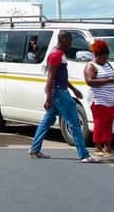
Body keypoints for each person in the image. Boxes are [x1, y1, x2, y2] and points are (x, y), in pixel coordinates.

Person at [29, 31, 97, 162]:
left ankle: (35, 149)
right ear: (64, 40)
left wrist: (73, 89)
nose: (71, 44)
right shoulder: (56, 55)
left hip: (59, 91)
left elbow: (60, 77)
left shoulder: (58, 54)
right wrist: (48, 98)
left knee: (47, 121)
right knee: (74, 123)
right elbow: (51, 78)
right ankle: (84, 155)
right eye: (70, 40)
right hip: (59, 93)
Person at [84, 39, 114, 157]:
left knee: (108, 125)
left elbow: (112, 79)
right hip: (99, 101)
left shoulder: (107, 64)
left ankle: (108, 148)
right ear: (97, 55)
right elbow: (90, 81)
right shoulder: (91, 66)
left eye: (107, 57)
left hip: (111, 100)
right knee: (99, 124)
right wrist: (109, 80)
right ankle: (97, 148)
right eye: (104, 57)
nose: (106, 59)